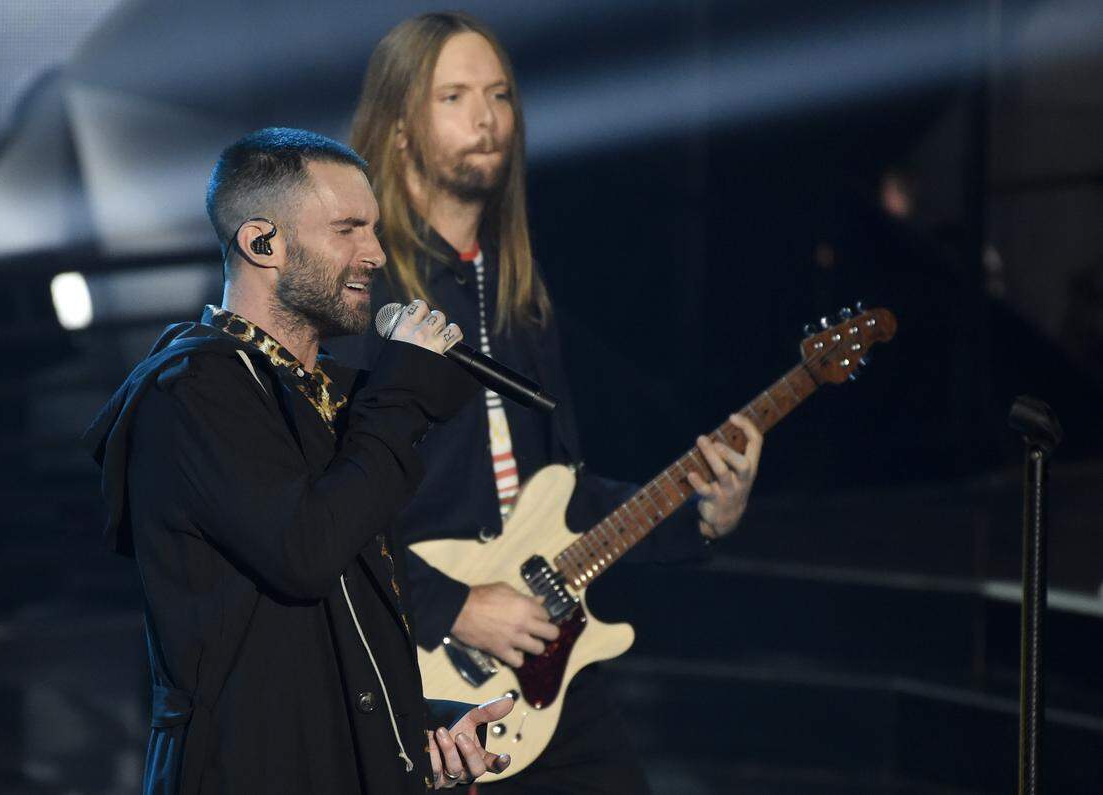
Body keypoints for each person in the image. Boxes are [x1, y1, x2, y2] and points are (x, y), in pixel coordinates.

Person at [330, 13, 764, 793]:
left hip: (542, 655)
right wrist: (451, 607)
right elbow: (316, 503)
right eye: (454, 96)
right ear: (398, 129)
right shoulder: (363, 293)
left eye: (498, 94)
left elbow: (568, 490)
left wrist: (701, 514)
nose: (486, 116)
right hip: (415, 663)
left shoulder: (520, 294)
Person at [85, 127, 516, 794]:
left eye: (372, 228)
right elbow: (304, 551)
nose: (375, 253)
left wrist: (415, 729)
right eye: (348, 228)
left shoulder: (331, 397)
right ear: (263, 243)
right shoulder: (193, 392)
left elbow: (331, 637)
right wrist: (399, 397)